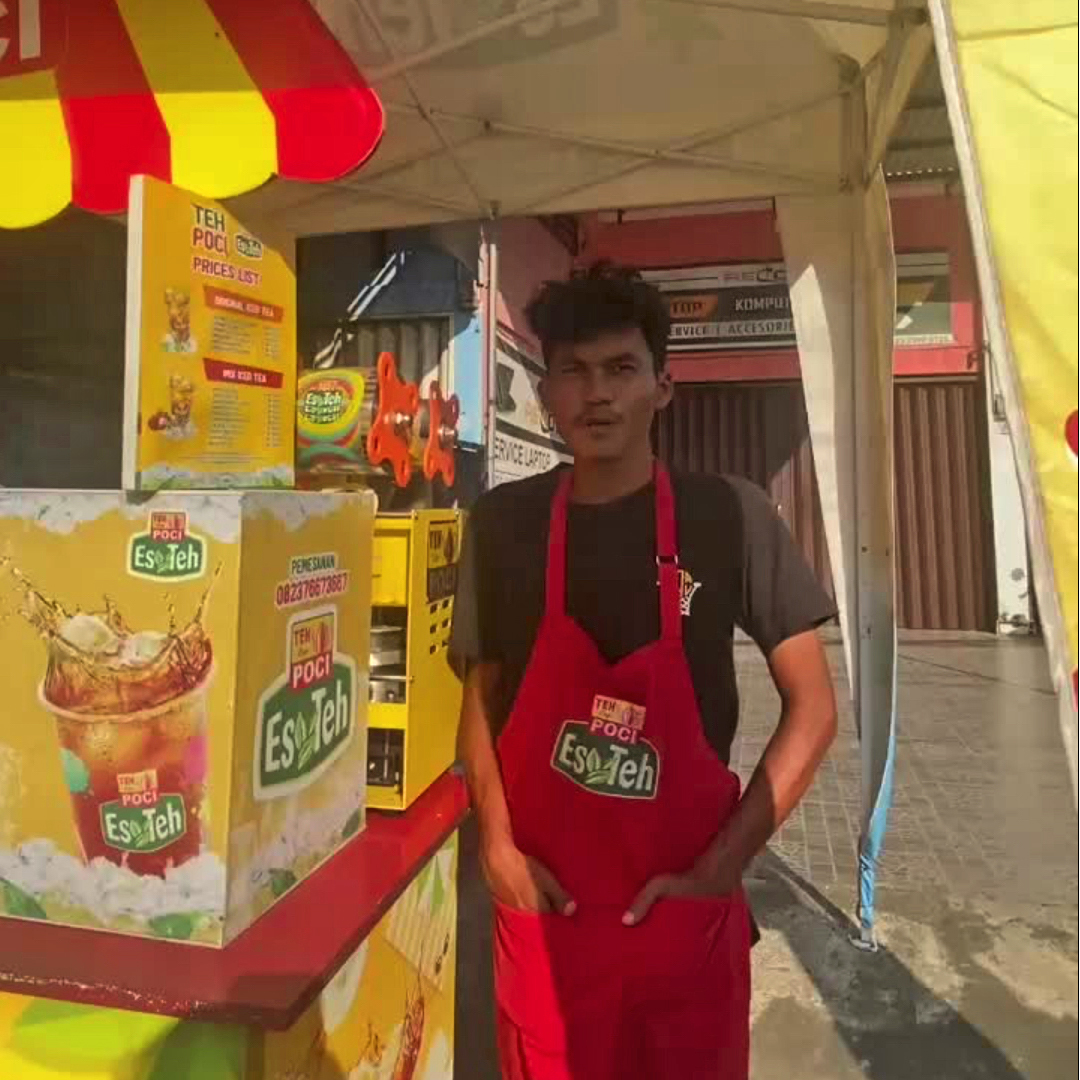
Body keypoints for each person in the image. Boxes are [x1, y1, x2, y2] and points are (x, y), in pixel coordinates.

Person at [450, 263, 838, 1079]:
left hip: (685, 919)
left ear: (663, 386)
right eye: (574, 371)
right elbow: (479, 701)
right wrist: (498, 851)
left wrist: (719, 869)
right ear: (545, 391)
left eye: (621, 368)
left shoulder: (730, 515)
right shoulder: (502, 524)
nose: (597, 394)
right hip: (547, 917)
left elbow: (813, 708)